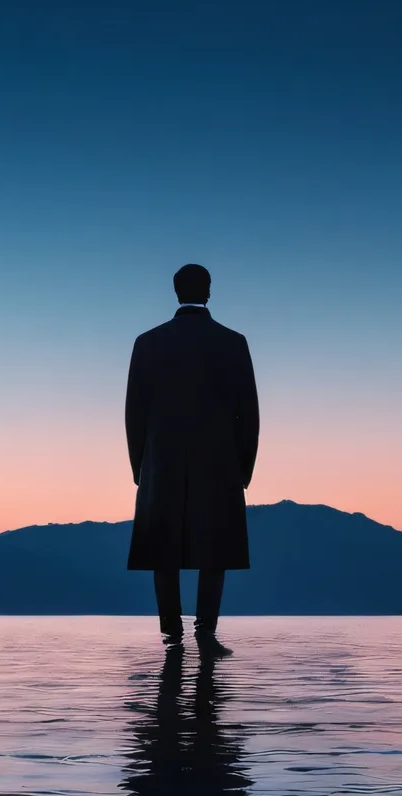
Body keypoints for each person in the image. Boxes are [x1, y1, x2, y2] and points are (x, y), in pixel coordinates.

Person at [125, 263, 260, 654]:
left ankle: (171, 636)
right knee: (214, 548)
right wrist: (244, 469)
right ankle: (205, 631)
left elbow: (134, 413)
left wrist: (140, 468)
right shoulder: (233, 343)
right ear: (209, 291)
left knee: (163, 549)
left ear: (175, 291)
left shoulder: (147, 343)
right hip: (219, 464)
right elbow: (249, 414)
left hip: (161, 462)